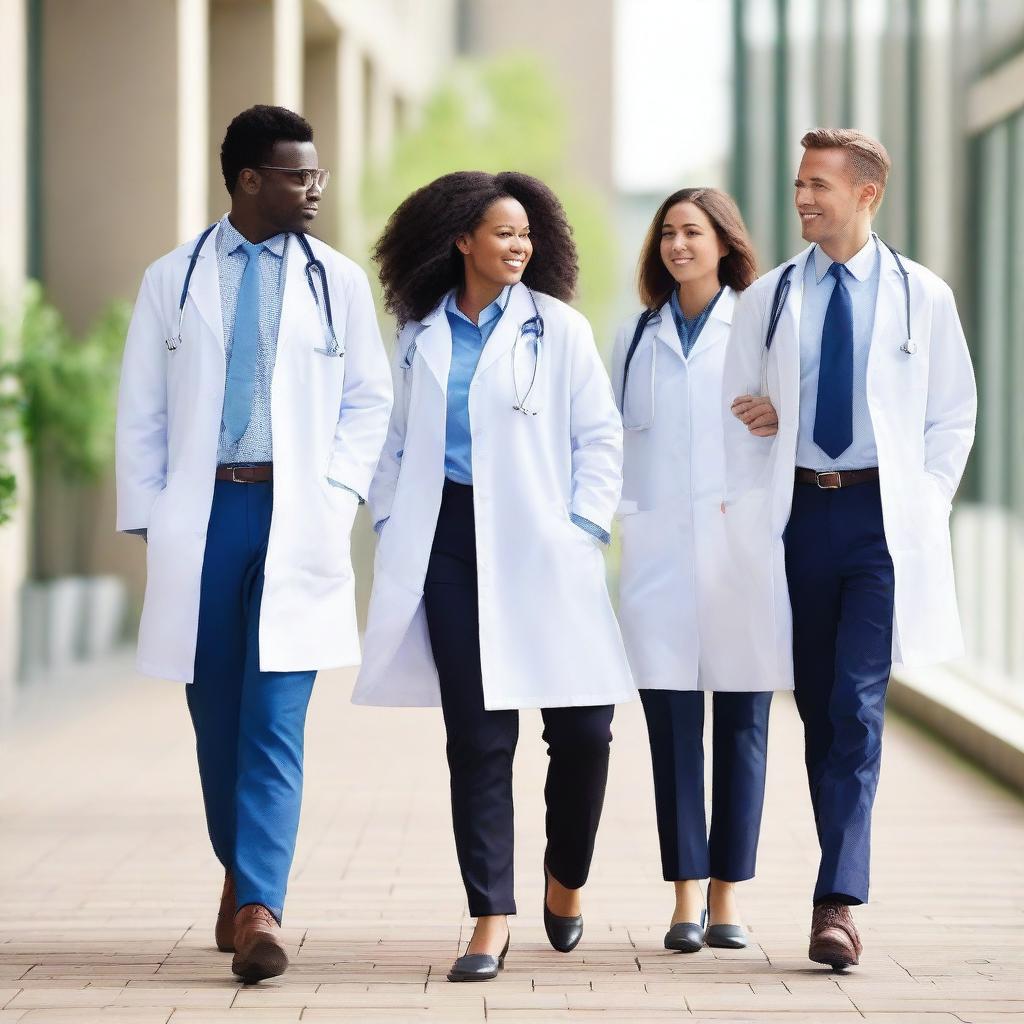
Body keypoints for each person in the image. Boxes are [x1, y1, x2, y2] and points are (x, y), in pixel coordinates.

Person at [115, 105, 392, 982]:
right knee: (216, 723)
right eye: (296, 175)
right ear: (247, 180)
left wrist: (336, 492)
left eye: (316, 173)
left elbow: (368, 402)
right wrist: (157, 516)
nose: (315, 188)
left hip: (295, 514)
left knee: (274, 719)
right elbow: (143, 408)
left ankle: (262, 907)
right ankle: (242, 877)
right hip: (204, 518)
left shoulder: (335, 281)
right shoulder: (175, 277)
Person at [354, 171, 635, 982]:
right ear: (461, 240)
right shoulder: (418, 334)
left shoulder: (562, 330)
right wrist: (390, 519)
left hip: (546, 544)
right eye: (502, 233)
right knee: (479, 738)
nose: (518, 245)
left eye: (526, 233)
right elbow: (395, 441)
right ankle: (489, 916)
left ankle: (565, 877)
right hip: (446, 541)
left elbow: (600, 440)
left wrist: (582, 528)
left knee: (583, 730)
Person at [722, 128, 976, 969]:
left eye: (818, 186)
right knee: (823, 710)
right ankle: (837, 882)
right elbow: (738, 403)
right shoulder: (770, 296)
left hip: (877, 525)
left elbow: (952, 416)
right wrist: (760, 416)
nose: (802, 198)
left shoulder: (923, 297)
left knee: (858, 708)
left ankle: (837, 901)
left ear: (865, 194)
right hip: (796, 516)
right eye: (799, 183)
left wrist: (924, 503)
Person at [612, 187, 771, 954]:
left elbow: (790, 423)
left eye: (694, 233)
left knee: (742, 725)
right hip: (660, 558)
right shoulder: (636, 335)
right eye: (669, 233)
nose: (679, 246)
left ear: (724, 243)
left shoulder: (761, 325)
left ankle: (728, 895)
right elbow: (611, 439)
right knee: (672, 730)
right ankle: (684, 899)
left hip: (742, 551)